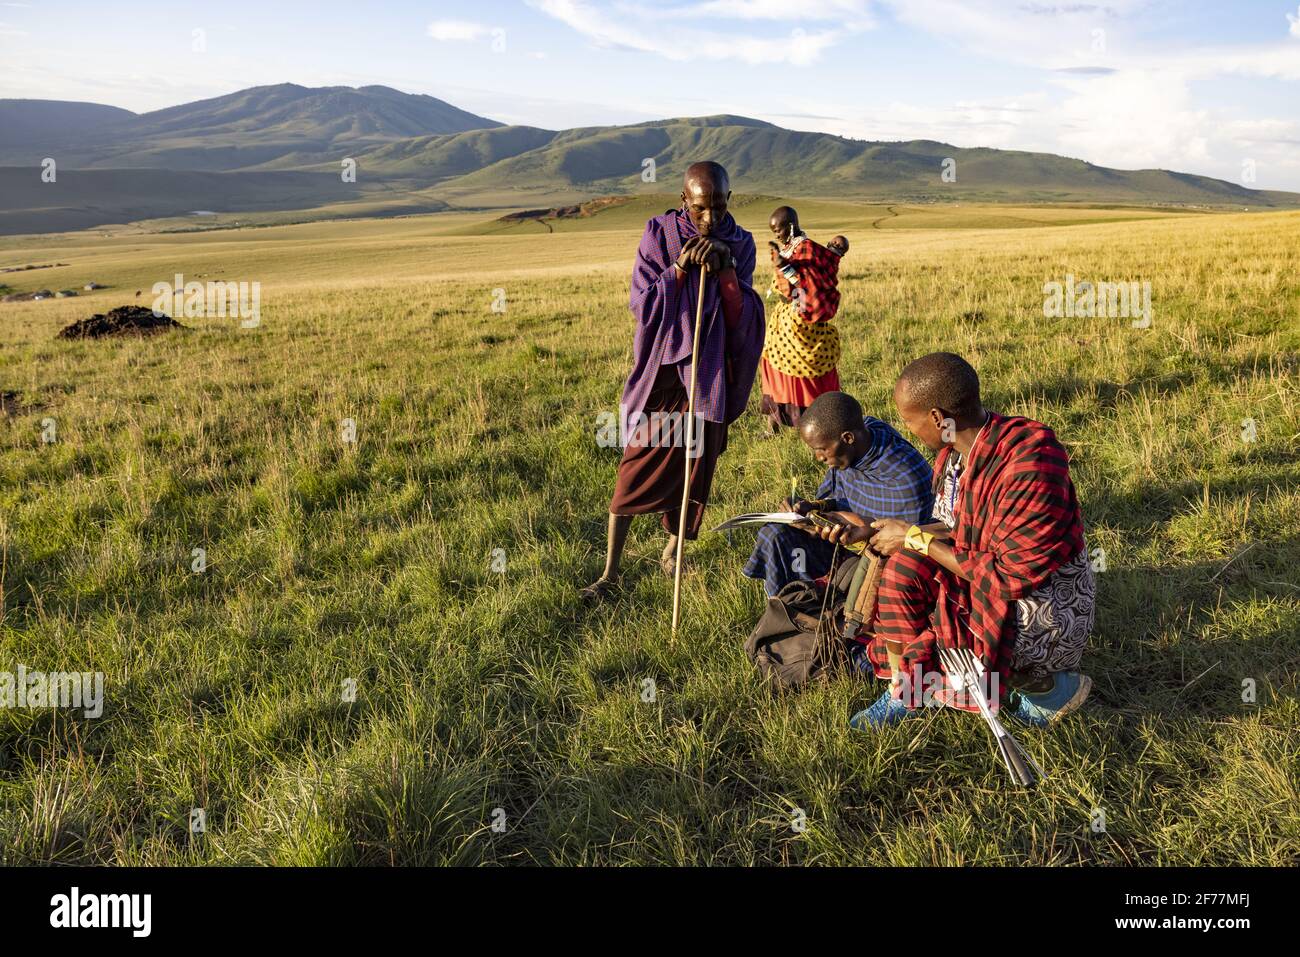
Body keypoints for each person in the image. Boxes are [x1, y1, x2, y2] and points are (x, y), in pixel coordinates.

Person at [811, 353, 1095, 729]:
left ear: (936, 418)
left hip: (1040, 605)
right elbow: (955, 530)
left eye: (909, 421)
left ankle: (1045, 684)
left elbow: (1008, 576)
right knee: (901, 569)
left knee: (951, 640)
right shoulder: (953, 457)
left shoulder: (1030, 462)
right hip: (984, 575)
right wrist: (877, 530)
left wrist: (914, 538)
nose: (908, 431)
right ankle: (906, 689)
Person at [580, 161, 764, 603]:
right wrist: (680, 270)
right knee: (633, 474)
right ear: (685, 199)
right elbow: (642, 307)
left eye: (718, 207)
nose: (710, 218)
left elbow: (745, 322)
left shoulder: (740, 242)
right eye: (700, 208)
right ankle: (611, 574)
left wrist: (726, 276)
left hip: (709, 381)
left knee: (695, 473)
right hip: (665, 381)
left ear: (729, 199)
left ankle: (673, 549)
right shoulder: (659, 235)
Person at [743, 390, 933, 602]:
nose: (818, 458)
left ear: (848, 438)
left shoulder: (904, 475)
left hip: (882, 560)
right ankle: (790, 607)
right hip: (845, 540)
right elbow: (840, 498)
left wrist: (853, 531)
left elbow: (901, 543)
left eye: (822, 449)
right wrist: (812, 510)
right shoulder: (855, 447)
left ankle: (815, 604)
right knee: (775, 533)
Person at [758, 206, 845, 431]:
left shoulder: (808, 250)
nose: (776, 235)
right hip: (783, 321)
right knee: (773, 368)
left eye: (778, 230)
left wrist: (782, 266)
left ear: (791, 226)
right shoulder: (792, 248)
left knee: (805, 376)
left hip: (802, 322)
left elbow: (803, 283)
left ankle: (818, 423)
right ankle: (773, 426)